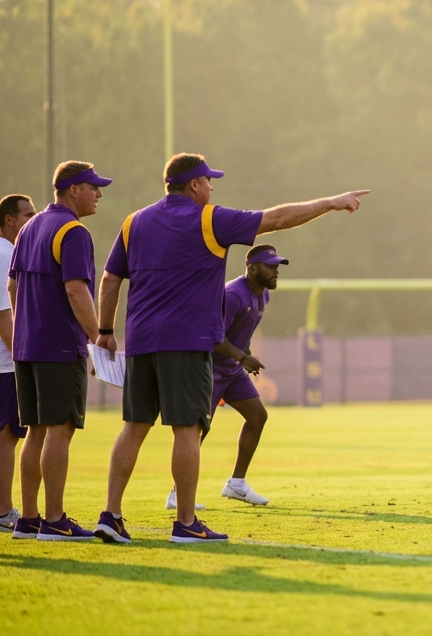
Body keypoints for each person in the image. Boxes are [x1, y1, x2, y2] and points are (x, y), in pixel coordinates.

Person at [92, 154, 367, 544]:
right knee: (187, 429)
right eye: (208, 181)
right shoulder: (209, 219)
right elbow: (277, 219)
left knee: (134, 426)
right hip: (185, 342)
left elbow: (110, 280)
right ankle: (186, 523)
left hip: (140, 341)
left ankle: (111, 514)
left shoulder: (133, 221)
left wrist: (105, 329)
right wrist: (331, 202)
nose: (212, 187)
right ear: (193, 186)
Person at [8, 163, 112, 541]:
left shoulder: (30, 228)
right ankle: (54, 520)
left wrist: (25, 328)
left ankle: (29, 518)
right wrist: (100, 335)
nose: (99, 195)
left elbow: (13, 286)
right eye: (94, 188)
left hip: (27, 346)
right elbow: (75, 290)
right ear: (73, 191)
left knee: (35, 431)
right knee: (60, 429)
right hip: (58, 346)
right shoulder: (73, 231)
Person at [164, 244, 284, 510]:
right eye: (270, 266)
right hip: (207, 368)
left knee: (257, 416)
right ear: (251, 268)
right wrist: (243, 357)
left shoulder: (263, 295)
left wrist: (245, 352)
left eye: (277, 266)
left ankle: (236, 484)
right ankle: (176, 494)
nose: (276, 271)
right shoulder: (233, 295)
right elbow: (214, 337)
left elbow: (240, 329)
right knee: (195, 433)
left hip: (231, 369)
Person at [0, 194, 37, 531]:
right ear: (9, 220)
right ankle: (4, 511)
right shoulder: (5, 253)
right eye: (27, 215)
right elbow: (4, 315)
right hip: (6, 366)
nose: (32, 220)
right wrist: (21, 355)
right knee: (8, 437)